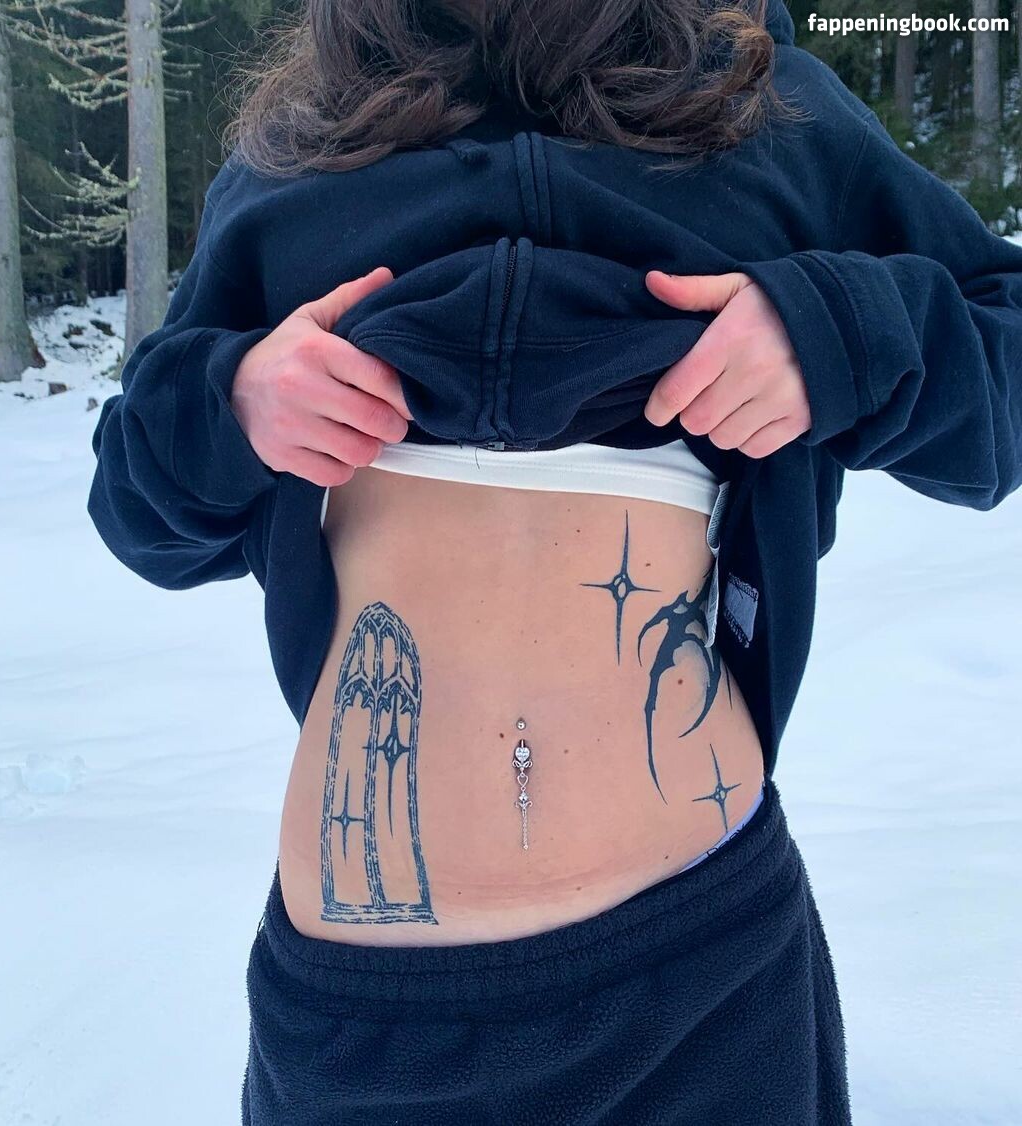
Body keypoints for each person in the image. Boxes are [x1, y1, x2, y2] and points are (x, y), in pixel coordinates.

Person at [86, 0, 1022, 1122]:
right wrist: (232, 401)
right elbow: (137, 509)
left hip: (704, 986)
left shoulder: (764, 108)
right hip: (365, 1022)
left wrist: (838, 336)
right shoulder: (299, 148)